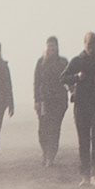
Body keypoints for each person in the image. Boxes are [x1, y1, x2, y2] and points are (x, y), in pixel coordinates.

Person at [62, 34, 95, 184]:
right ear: (84, 44)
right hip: (81, 105)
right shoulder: (77, 61)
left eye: (94, 45)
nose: (91, 47)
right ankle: (85, 175)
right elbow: (63, 78)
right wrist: (76, 77)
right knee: (83, 142)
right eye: (88, 44)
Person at [33, 36, 69, 164]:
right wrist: (36, 100)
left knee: (55, 128)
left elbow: (69, 79)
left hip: (59, 100)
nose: (52, 48)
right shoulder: (41, 62)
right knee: (43, 129)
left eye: (54, 45)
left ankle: (51, 156)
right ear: (46, 47)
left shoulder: (63, 62)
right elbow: (36, 82)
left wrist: (73, 91)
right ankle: (44, 151)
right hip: (44, 101)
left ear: (57, 47)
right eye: (49, 46)